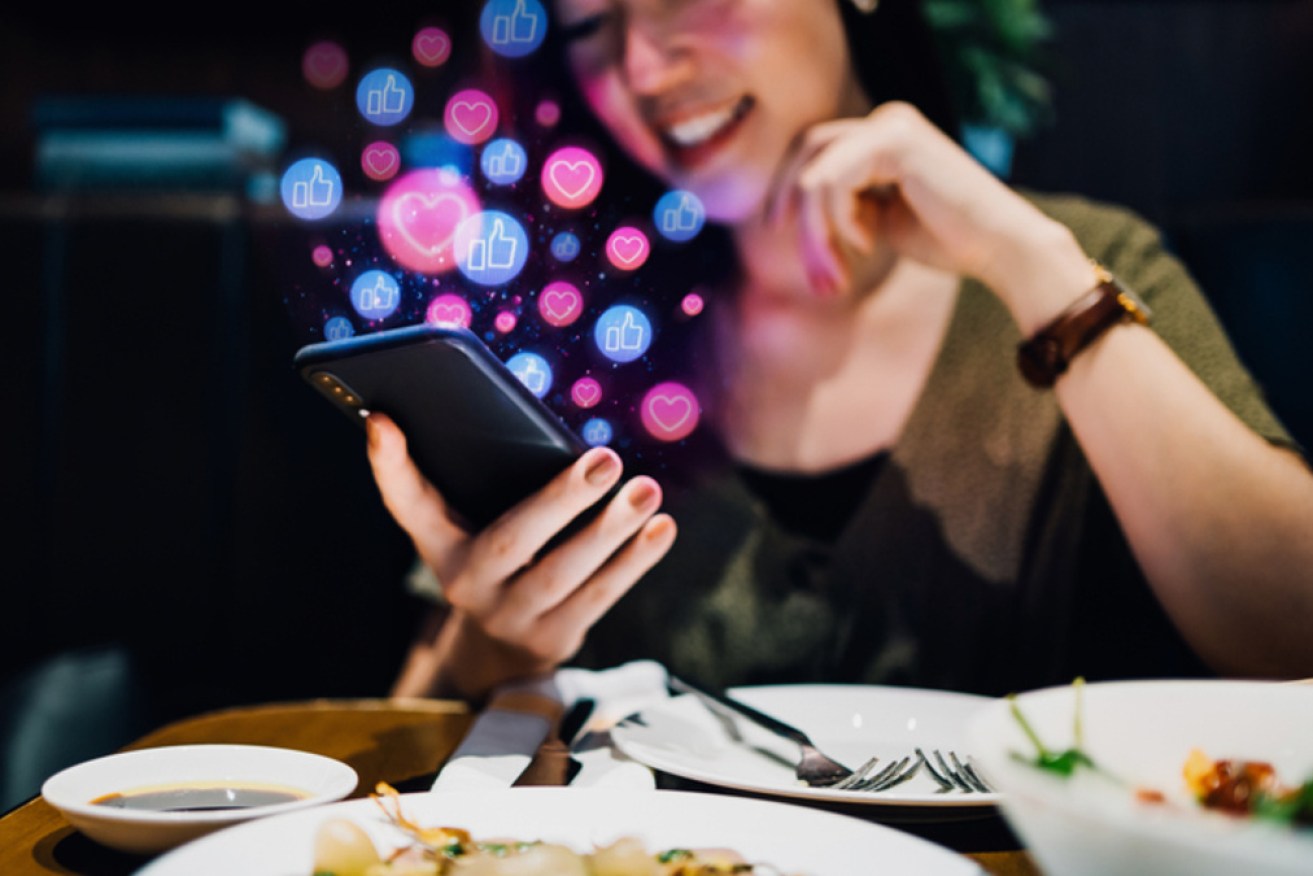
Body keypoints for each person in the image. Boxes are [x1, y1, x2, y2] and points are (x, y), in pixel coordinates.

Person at [368, 0, 1313, 703]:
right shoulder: (585, 337)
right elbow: (408, 745)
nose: (646, 70)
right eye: (586, 28)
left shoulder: (1081, 268)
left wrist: (1026, 266)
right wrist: (493, 647)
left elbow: (1292, 637)